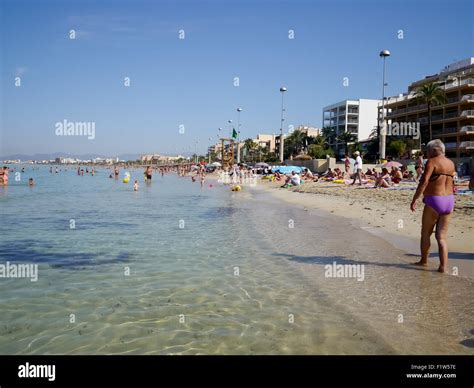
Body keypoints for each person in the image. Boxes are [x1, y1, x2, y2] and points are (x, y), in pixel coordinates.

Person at [410, 140, 455, 273]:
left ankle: (423, 261)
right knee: (441, 237)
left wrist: (414, 200)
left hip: (434, 201)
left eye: (428, 151)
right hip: (449, 201)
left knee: (425, 233)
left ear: (435, 150)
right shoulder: (451, 163)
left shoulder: (432, 162)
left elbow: (424, 181)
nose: (427, 154)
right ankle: (443, 267)